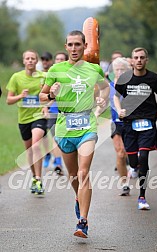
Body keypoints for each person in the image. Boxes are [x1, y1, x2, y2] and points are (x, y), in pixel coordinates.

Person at [39, 30, 110, 238]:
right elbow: (42, 96)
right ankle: (79, 198)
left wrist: (101, 101)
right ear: (65, 46)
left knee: (83, 172)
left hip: (87, 125)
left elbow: (105, 88)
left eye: (77, 45)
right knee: (73, 176)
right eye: (70, 45)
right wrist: (52, 93)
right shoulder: (56, 69)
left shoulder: (93, 69)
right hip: (64, 127)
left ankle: (83, 222)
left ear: (84, 45)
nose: (73, 48)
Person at [114, 47, 157, 210]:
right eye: (136, 57)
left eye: (142, 57)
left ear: (146, 60)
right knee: (133, 160)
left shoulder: (154, 78)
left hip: (148, 124)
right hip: (129, 125)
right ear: (132, 60)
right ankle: (134, 166)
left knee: (144, 156)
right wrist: (119, 110)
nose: (139, 60)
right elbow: (116, 96)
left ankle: (142, 197)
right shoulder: (125, 78)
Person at [6, 49, 47, 195]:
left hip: (39, 116)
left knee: (36, 145)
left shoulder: (43, 76)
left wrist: (46, 105)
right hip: (23, 119)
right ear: (23, 61)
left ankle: (39, 178)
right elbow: (8, 100)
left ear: (37, 61)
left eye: (33, 58)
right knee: (29, 150)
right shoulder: (16, 77)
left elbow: (50, 95)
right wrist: (20, 96)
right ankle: (34, 178)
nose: (30, 61)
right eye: (27, 58)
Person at [43, 51, 68, 174]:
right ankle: (58, 163)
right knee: (56, 138)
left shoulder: (71, 76)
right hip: (54, 111)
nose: (59, 61)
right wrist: (45, 107)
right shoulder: (52, 76)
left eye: (62, 59)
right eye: (57, 59)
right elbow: (45, 95)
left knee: (65, 140)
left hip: (68, 112)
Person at [110, 57, 133, 196]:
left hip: (131, 123)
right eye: (117, 69)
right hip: (116, 123)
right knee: (120, 152)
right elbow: (99, 100)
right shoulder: (109, 86)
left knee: (133, 155)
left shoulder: (132, 85)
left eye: (122, 69)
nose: (119, 72)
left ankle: (134, 167)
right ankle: (124, 184)